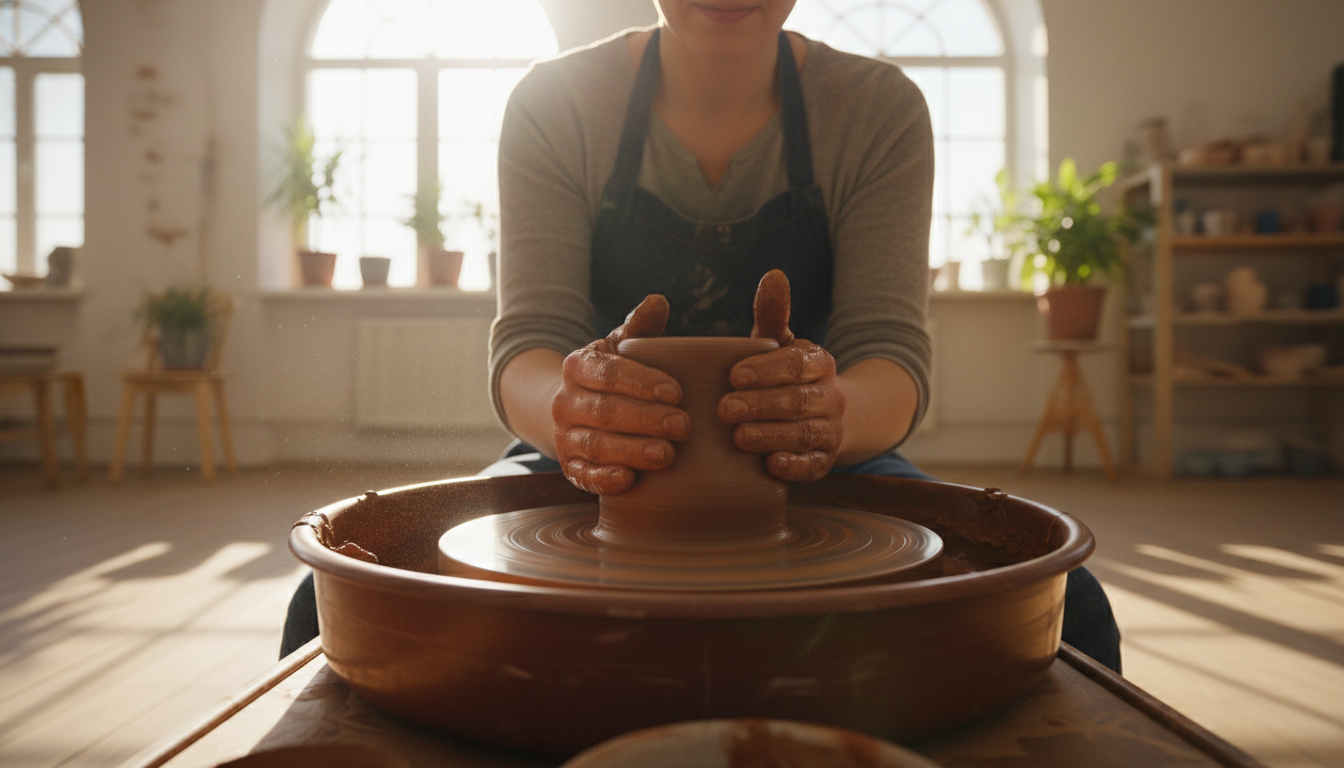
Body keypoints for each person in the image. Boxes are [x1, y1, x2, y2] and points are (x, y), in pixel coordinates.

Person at [283, 0, 1121, 674]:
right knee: (330, 604)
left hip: (822, 453)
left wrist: (825, 412)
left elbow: (890, 357)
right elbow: (530, 346)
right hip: (595, 459)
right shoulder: (556, 101)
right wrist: (577, 412)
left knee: (1070, 605)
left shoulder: (875, 107)